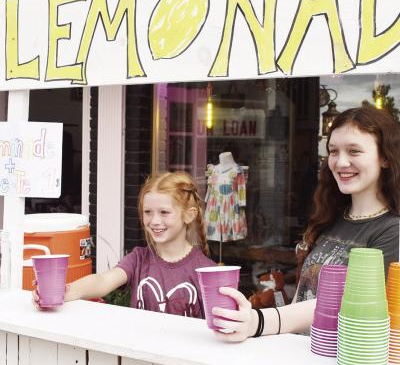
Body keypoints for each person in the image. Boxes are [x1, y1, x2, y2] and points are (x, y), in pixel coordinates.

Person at [210, 106, 400, 341]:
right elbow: (306, 294)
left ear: (384, 158)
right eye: (333, 151)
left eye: (354, 151)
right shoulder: (332, 217)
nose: (341, 162)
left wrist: (259, 322)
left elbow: (342, 303)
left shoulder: (392, 231)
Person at [33, 171, 215, 318]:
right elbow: (103, 281)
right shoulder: (138, 258)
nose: (154, 220)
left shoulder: (206, 270)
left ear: (189, 215)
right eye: (148, 212)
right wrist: (61, 292)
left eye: (164, 212)